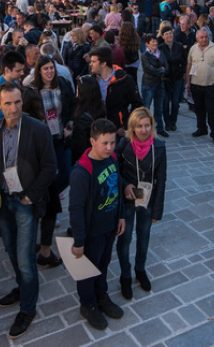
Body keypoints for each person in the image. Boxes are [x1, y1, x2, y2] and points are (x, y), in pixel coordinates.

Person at [0, 82, 57, 339]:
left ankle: (27, 308)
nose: (13, 108)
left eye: (17, 102)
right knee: (11, 250)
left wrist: (29, 197)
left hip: (24, 202)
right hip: (2, 201)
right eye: (8, 103)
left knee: (25, 257)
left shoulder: (38, 129)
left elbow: (50, 167)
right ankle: (22, 287)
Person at [68, 118, 126, 331]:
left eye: (112, 142)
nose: (110, 147)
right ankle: (88, 303)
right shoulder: (82, 172)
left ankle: (101, 296)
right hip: (91, 232)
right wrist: (79, 240)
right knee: (87, 270)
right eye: (105, 143)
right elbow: (75, 209)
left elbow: (117, 189)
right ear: (92, 141)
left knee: (103, 264)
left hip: (109, 227)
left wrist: (120, 216)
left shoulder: (112, 160)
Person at [27, 56, 75, 267]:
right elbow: (27, 114)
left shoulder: (62, 85)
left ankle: (51, 199)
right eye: (45, 69)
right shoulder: (32, 91)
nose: (49, 72)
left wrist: (70, 124)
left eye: (51, 68)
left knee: (65, 175)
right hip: (43, 144)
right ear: (39, 72)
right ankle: (48, 207)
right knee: (49, 180)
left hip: (60, 138)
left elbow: (72, 104)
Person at [115, 107, 167, 299]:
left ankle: (140, 269)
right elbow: (114, 169)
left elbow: (161, 180)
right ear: (133, 127)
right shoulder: (124, 144)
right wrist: (125, 185)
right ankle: (125, 275)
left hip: (148, 199)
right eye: (139, 126)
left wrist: (157, 211)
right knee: (125, 238)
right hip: (128, 200)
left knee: (144, 237)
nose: (144, 130)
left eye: (147, 125)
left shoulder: (159, 147)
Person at [87, 46, 143, 134]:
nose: (90, 64)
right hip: (97, 130)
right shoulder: (91, 80)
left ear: (103, 63)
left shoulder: (125, 80)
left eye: (93, 61)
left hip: (117, 131)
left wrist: (126, 126)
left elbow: (138, 105)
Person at [185, 28, 214, 145]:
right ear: (197, 38)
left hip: (210, 85)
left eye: (206, 37)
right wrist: (187, 82)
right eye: (202, 37)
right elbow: (189, 65)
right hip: (195, 84)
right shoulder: (193, 49)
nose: (204, 39)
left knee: (210, 109)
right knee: (198, 108)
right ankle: (202, 128)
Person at [71, 74, 107, 163]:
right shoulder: (101, 108)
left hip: (86, 161)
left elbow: (80, 146)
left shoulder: (82, 118)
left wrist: (69, 137)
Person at [139, 34, 170, 136]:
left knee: (159, 108)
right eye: (152, 41)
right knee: (146, 108)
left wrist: (159, 69)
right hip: (148, 84)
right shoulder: (144, 55)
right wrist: (161, 69)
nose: (155, 43)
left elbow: (166, 66)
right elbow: (149, 69)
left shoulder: (160, 53)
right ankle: (144, 128)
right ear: (147, 44)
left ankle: (160, 128)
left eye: (155, 41)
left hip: (159, 84)